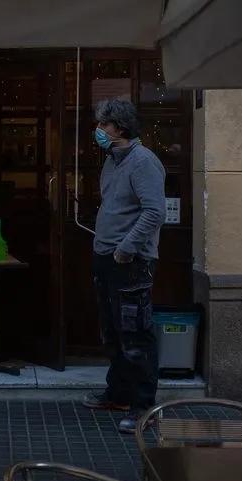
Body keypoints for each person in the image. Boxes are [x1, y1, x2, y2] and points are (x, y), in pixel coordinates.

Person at [82, 98, 166, 434]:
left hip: (130, 261)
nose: (99, 131)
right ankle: (117, 392)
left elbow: (153, 212)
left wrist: (126, 249)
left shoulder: (143, 162)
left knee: (135, 335)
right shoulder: (113, 161)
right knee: (113, 330)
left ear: (121, 128)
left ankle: (144, 406)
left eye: (104, 125)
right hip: (106, 257)